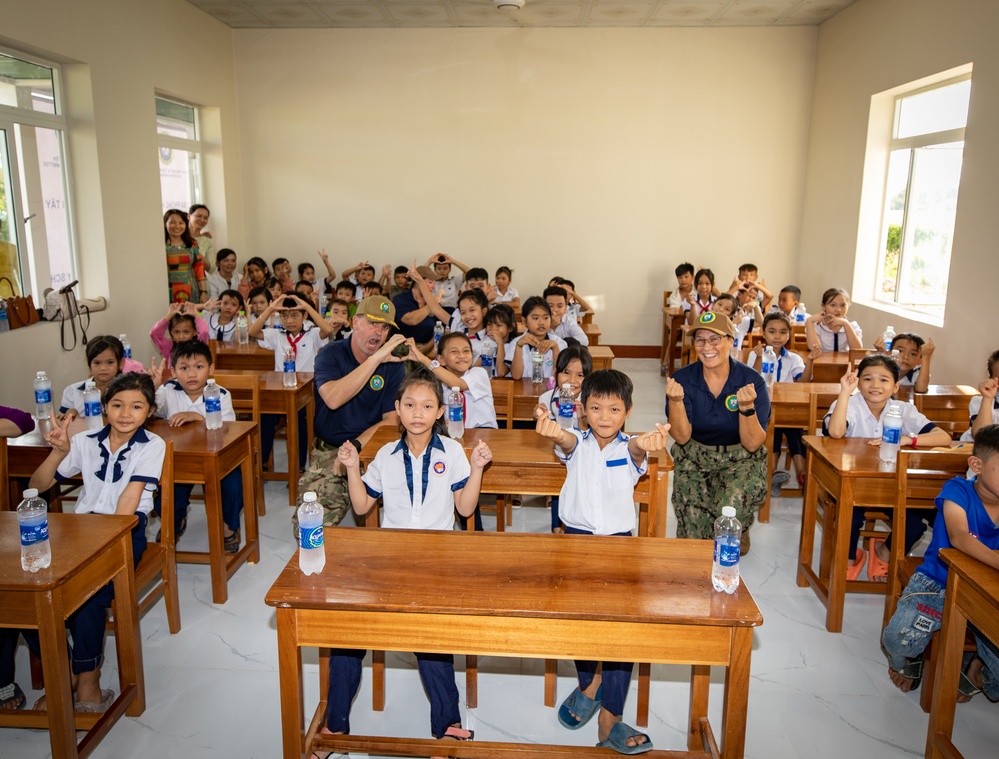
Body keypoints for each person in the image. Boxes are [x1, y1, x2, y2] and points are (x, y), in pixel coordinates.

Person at [312, 371, 491, 756]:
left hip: (437, 561)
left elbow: (465, 508)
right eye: (409, 405)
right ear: (396, 410)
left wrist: (476, 468)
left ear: (441, 411)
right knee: (348, 634)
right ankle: (336, 727)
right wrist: (355, 469)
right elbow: (361, 507)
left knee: (431, 638)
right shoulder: (385, 457)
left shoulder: (453, 452)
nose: (417, 413)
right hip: (389, 560)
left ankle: (448, 724)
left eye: (427, 406)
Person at [535, 369, 669, 756]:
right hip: (575, 543)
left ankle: (610, 714)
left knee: (621, 630)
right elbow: (563, 440)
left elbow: (638, 452)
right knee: (579, 622)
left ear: (627, 411)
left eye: (614, 408)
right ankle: (589, 681)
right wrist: (550, 429)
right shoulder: (576, 440)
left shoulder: (630, 448)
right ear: (583, 409)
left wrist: (645, 443)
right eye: (596, 408)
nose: (605, 416)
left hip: (618, 547)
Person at [26, 372, 165, 712]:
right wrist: (58, 453)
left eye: (136, 406)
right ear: (104, 407)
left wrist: (96, 549)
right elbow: (37, 486)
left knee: (86, 593)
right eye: (117, 405)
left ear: (149, 412)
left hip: (124, 531)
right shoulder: (85, 441)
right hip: (80, 529)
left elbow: (128, 504)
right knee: (28, 590)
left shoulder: (153, 445)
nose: (125, 413)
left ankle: (87, 676)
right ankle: (66, 666)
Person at [881, 424, 999, 702]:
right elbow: (959, 537)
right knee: (896, 639)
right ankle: (910, 661)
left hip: (987, 593)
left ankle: (977, 670)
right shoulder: (957, 490)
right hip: (937, 583)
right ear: (977, 465)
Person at [824, 355, 951, 580]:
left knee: (913, 525)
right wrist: (845, 392)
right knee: (849, 517)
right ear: (857, 382)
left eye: (884, 380)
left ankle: (882, 550)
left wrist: (907, 440)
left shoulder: (903, 409)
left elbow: (943, 437)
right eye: (867, 379)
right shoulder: (848, 404)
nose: (875, 385)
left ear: (895, 387)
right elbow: (835, 432)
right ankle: (850, 557)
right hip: (854, 484)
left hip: (894, 486)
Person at [298, 295, 407, 528]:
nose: (378, 332)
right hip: (331, 450)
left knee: (410, 516)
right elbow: (334, 399)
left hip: (375, 450)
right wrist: (375, 359)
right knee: (311, 526)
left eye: (385, 327)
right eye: (373, 323)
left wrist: (354, 447)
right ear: (355, 322)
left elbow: (392, 420)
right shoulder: (330, 355)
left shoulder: (394, 365)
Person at [665, 311, 770, 549]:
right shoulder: (682, 379)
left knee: (727, 521)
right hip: (695, 456)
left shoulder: (751, 381)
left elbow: (753, 444)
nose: (707, 346)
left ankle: (739, 525)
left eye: (715, 339)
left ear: (730, 341)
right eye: (700, 340)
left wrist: (746, 408)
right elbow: (682, 437)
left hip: (740, 459)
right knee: (693, 542)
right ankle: (725, 524)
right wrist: (676, 402)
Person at [150, 340, 244, 552]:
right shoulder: (167, 390)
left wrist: (197, 417)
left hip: (215, 456)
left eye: (198, 367)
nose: (191, 374)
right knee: (167, 488)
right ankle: (174, 521)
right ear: (173, 372)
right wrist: (153, 389)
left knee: (232, 483)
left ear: (210, 369)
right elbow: (152, 412)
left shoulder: (220, 394)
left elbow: (229, 428)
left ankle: (229, 526)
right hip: (178, 458)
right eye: (184, 368)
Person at [408, 332, 495, 531]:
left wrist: (422, 358)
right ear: (441, 359)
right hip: (454, 439)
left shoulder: (478, 374)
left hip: (485, 436)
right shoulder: (436, 384)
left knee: (464, 474)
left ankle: (474, 530)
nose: (462, 355)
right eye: (454, 352)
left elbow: (458, 385)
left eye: (466, 351)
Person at [249, 293, 332, 472]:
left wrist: (308, 306)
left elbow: (328, 330)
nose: (289, 320)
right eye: (285, 316)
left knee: (299, 421)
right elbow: (252, 332)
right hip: (281, 390)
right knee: (265, 418)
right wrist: (271, 309)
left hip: (306, 390)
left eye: (295, 315)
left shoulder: (312, 334)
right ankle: (261, 463)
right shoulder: (277, 335)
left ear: (305, 316)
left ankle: (299, 465)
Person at [748, 312, 812, 493]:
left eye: (783, 332)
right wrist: (759, 357)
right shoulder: (755, 354)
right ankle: (773, 471)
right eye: (772, 332)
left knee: (794, 428)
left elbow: (804, 382)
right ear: (763, 333)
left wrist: (811, 361)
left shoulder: (794, 358)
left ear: (789, 335)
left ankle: (802, 473)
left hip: (788, 406)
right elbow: (750, 379)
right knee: (772, 427)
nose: (777, 336)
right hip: (762, 406)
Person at [537, 345, 592, 533]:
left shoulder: (592, 401)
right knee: (559, 482)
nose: (572, 380)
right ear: (556, 372)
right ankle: (556, 526)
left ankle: (571, 525)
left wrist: (584, 419)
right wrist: (539, 415)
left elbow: (593, 438)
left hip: (585, 458)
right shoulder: (547, 397)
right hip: (558, 455)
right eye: (566, 373)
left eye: (580, 375)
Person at [59, 335, 126, 419]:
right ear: (88, 363)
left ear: (120, 363)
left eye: (110, 362)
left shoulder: (128, 392)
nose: (103, 368)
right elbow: (67, 424)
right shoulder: (73, 391)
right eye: (97, 363)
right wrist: (71, 414)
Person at [509, 297, 567, 381]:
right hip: (524, 391)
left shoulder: (560, 343)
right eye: (535, 318)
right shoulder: (516, 343)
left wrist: (555, 348)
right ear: (524, 321)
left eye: (546, 318)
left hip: (550, 391)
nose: (541, 322)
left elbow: (559, 376)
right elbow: (516, 376)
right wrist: (518, 347)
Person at [164, 209, 207, 303]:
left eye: (181, 223)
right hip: (167, 291)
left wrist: (204, 292)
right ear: (164, 224)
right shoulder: (161, 247)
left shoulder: (192, 244)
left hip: (191, 290)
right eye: (172, 222)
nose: (177, 226)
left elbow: (199, 269)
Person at [805, 287, 863, 354]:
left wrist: (846, 324)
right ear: (823, 306)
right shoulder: (817, 325)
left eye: (843, 305)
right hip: (822, 363)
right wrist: (809, 322)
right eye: (833, 305)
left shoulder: (852, 325)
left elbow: (857, 349)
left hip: (845, 363)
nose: (838, 310)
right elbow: (814, 348)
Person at [961, 350, 999, 442]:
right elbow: (981, 437)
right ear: (992, 380)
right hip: (977, 451)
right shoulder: (981, 401)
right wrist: (987, 398)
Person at [485, 303, 517, 379]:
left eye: (498, 325)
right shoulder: (487, 343)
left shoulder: (514, 346)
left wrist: (500, 343)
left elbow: (501, 372)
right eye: (489, 324)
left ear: (510, 328)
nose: (493, 329)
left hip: (508, 387)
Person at [188, 204, 214, 273]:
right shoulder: (178, 237)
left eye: (205, 218)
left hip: (200, 281)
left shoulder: (207, 241)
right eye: (199, 216)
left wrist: (196, 252)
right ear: (189, 216)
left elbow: (211, 268)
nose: (202, 220)